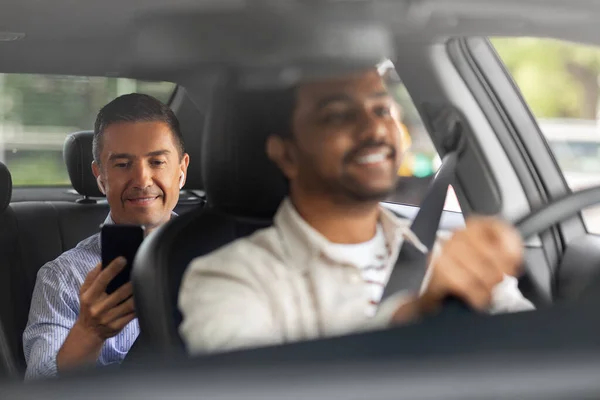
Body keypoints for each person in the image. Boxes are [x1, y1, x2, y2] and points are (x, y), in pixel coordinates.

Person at [178, 65, 535, 355]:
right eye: (337, 115)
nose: (375, 127)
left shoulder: (448, 256)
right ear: (286, 153)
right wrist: (416, 316)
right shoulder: (228, 279)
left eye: (382, 109)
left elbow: (535, 356)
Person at [23, 93, 190, 379]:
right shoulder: (62, 278)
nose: (141, 180)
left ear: (181, 171)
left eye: (157, 162)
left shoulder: (218, 254)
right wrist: (89, 332)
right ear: (100, 177)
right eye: (123, 165)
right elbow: (40, 390)